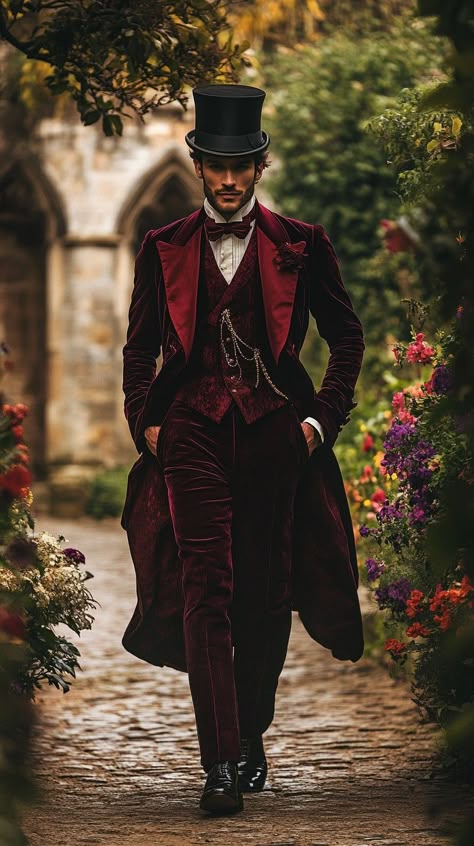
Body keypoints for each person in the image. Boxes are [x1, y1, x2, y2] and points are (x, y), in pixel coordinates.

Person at [121, 84, 365, 815]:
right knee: (208, 588)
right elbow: (138, 351)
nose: (229, 180)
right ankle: (219, 760)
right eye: (216, 166)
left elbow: (345, 338)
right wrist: (147, 425)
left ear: (260, 165)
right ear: (198, 165)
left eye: (242, 166)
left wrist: (319, 422)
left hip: (274, 433)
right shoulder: (161, 248)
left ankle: (248, 729)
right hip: (191, 428)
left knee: (266, 595)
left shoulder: (302, 243)